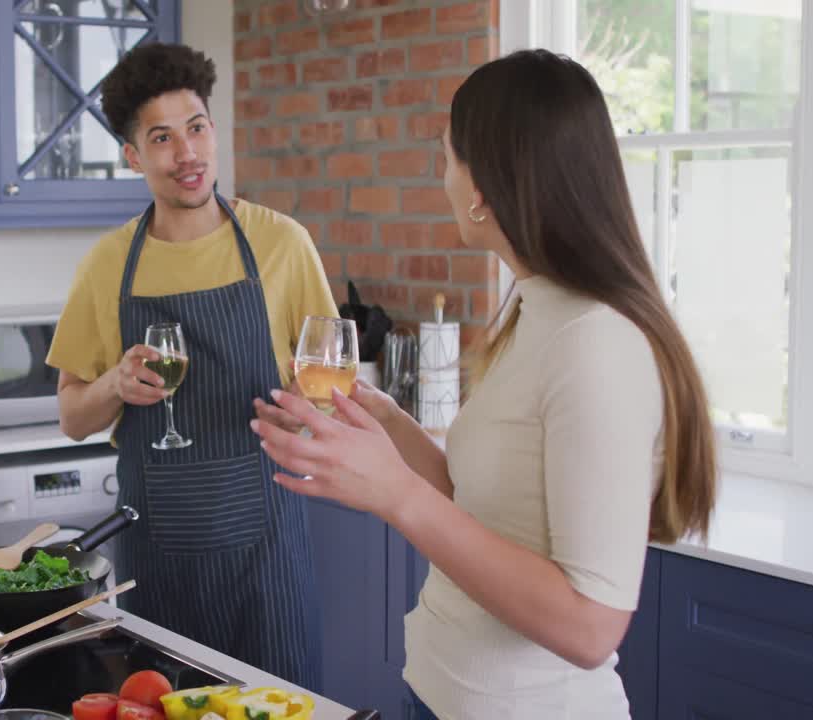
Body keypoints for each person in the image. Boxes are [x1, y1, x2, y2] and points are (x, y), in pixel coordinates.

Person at [250, 49, 718, 718]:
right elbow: (486, 507)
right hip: (441, 693)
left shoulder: (597, 343)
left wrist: (396, 494)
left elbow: (590, 627)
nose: (441, 180)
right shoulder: (534, 309)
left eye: (446, 159)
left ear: (481, 190)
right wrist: (383, 422)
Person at [45, 42, 338, 690]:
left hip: (270, 557)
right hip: (160, 564)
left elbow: (329, 386)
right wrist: (114, 385)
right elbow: (70, 416)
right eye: (163, 138)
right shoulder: (107, 264)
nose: (188, 155)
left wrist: (305, 412)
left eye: (198, 128)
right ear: (133, 156)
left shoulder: (281, 244)